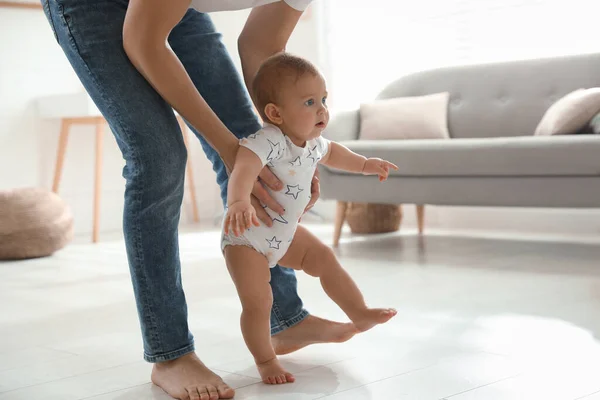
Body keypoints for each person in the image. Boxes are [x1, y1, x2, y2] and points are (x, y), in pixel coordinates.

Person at [41, 1, 358, 399]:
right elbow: (143, 40)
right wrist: (232, 151)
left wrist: (292, 144)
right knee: (159, 157)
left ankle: (284, 318)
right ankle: (170, 353)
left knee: (255, 142)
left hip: (175, 8)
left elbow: (262, 45)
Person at [222, 53, 398, 385]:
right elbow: (244, 166)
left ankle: (358, 312)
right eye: (309, 102)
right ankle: (265, 359)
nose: (322, 109)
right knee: (259, 300)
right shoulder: (269, 139)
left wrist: (365, 164)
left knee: (324, 258)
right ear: (276, 113)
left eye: (323, 99)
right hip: (248, 237)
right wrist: (238, 201)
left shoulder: (314, 143)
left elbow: (336, 154)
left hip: (284, 233)